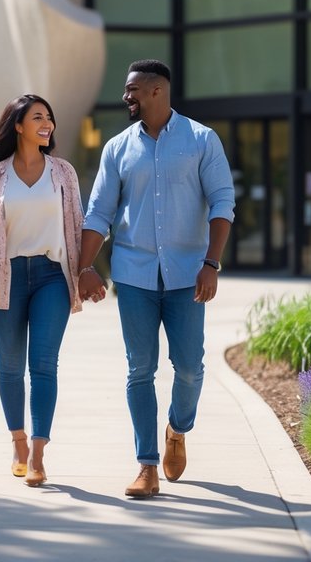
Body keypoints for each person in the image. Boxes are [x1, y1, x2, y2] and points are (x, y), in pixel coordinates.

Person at [77, 60, 234, 498]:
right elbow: (99, 213)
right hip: (133, 275)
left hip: (188, 276)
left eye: (132, 90)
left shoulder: (202, 140)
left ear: (157, 91)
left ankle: (178, 429)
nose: (125, 97)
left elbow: (222, 202)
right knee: (139, 370)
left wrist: (211, 263)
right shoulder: (117, 148)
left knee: (189, 368)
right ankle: (146, 465)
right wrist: (84, 268)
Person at [0, 94, 84, 487]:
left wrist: (86, 271)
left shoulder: (64, 172)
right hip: (7, 277)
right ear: (18, 126)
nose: (47, 123)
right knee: (11, 367)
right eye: (38, 117)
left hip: (52, 275)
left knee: (44, 365)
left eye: (49, 117)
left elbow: (78, 226)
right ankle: (17, 439)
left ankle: (37, 451)